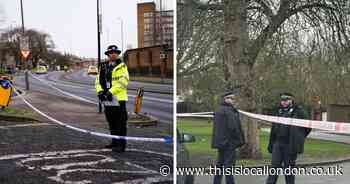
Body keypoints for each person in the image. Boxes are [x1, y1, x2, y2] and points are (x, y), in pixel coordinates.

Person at [266, 93, 312, 184]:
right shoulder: (277, 111)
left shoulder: (298, 111)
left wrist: (299, 137)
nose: (284, 102)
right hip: (278, 143)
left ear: (291, 100)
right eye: (282, 100)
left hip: (290, 144)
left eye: (286, 100)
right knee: (274, 167)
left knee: (289, 169)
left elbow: (308, 126)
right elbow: (273, 127)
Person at [95, 45, 129, 152]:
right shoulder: (104, 67)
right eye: (111, 52)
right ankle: (114, 142)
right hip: (107, 99)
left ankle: (121, 145)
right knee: (111, 122)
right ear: (108, 54)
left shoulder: (122, 66)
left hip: (118, 99)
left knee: (121, 123)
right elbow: (97, 81)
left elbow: (123, 82)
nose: (113, 54)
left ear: (118, 54)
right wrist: (100, 91)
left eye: (115, 52)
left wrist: (110, 92)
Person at [212, 90, 245, 184]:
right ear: (226, 99)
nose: (233, 100)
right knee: (228, 167)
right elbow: (233, 127)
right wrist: (240, 141)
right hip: (229, 143)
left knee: (220, 165)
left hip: (220, 142)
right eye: (231, 98)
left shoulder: (218, 109)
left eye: (233, 99)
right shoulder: (229, 111)